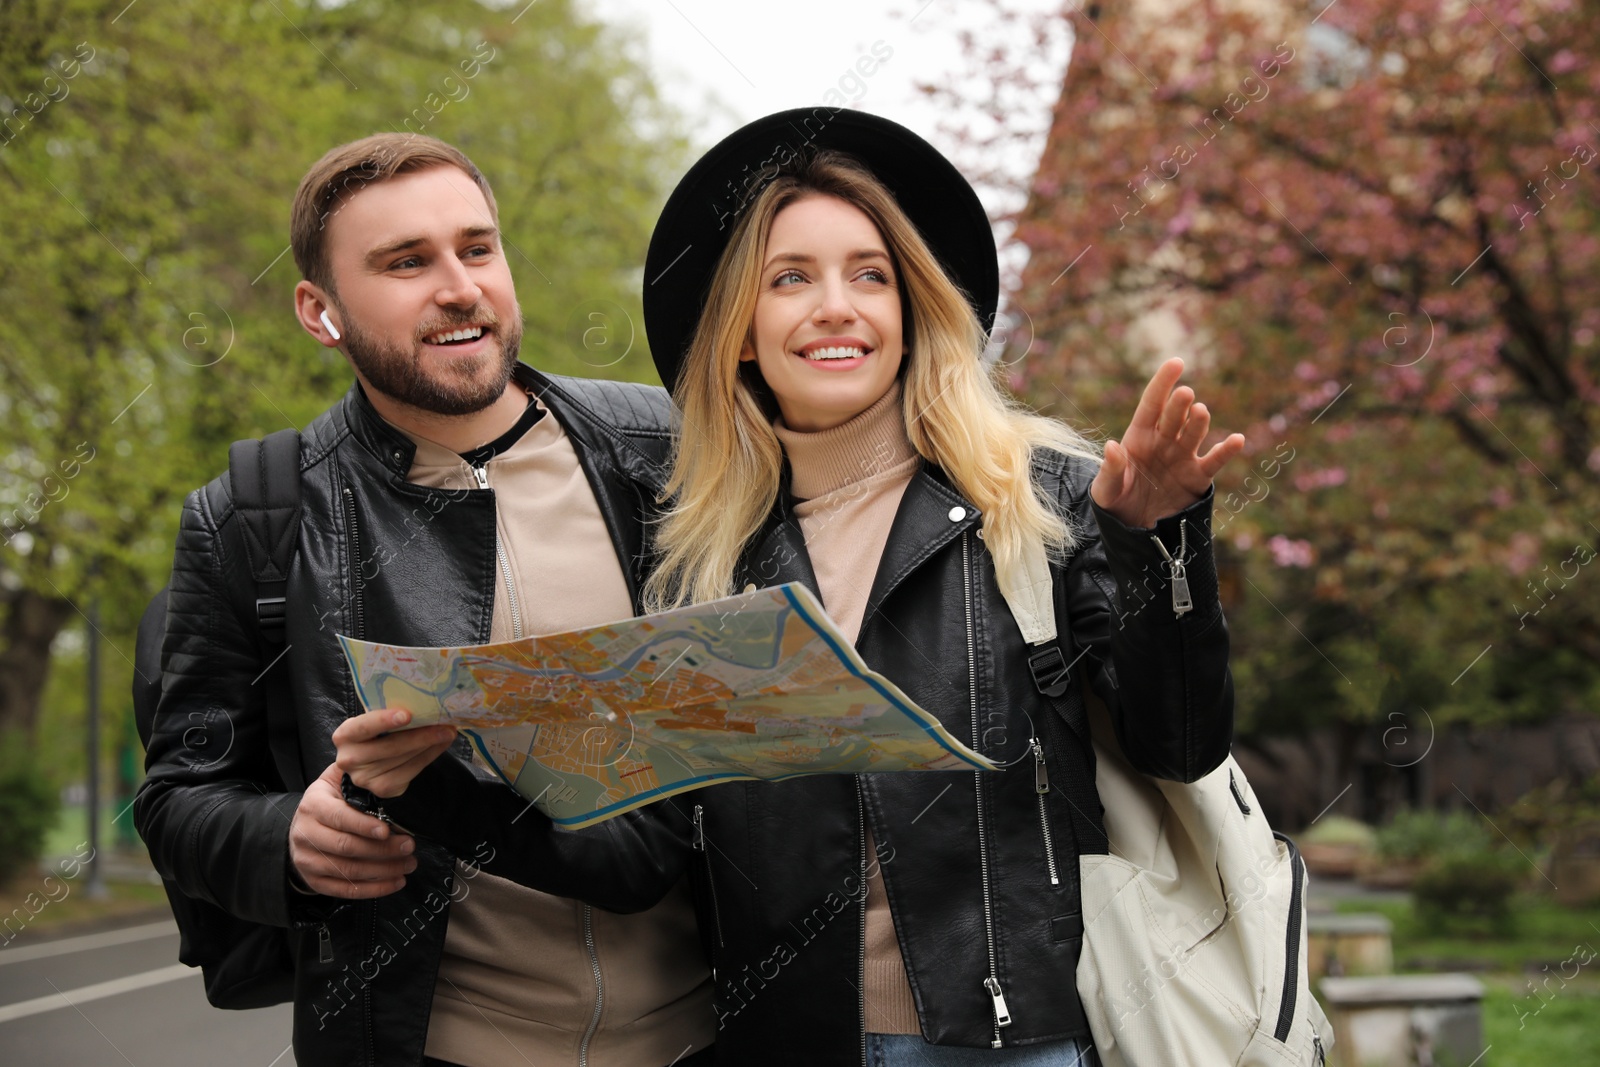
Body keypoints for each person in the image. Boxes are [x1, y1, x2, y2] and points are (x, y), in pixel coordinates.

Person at [636, 109, 1242, 1064]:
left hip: (1010, 1040)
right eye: (790, 277)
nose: (836, 305)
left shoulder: (1041, 499)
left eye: (869, 275)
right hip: (786, 1043)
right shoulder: (700, 562)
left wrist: (1153, 538)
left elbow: (1181, 742)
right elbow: (654, 851)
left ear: (912, 312)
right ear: (741, 335)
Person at [134, 132, 713, 1067]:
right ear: (319, 311)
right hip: (427, 1047)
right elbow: (180, 796)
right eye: (406, 262)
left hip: (711, 1036)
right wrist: (285, 835)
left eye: (477, 248)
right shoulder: (253, 513)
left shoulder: (668, 449)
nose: (459, 287)